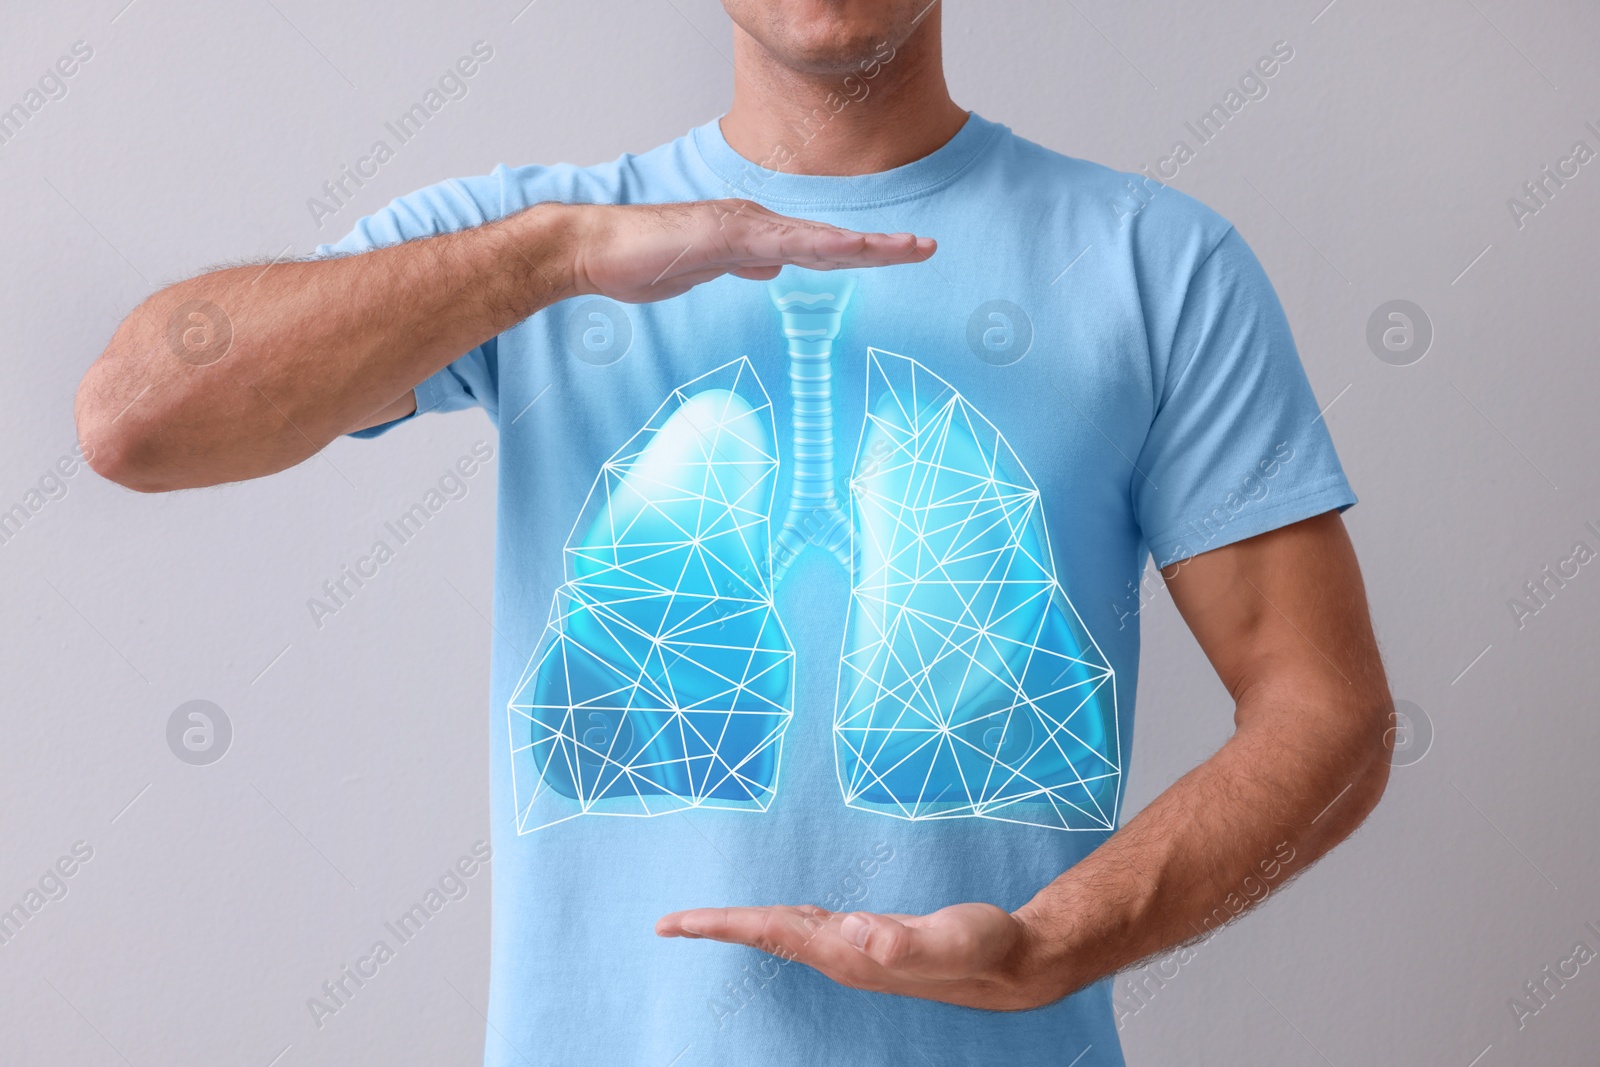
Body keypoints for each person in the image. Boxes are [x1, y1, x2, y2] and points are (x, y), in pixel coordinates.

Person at [73, 2, 1392, 1064]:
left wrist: (1056, 943)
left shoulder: (1156, 265)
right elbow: (136, 419)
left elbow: (1327, 717)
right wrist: (556, 254)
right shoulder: (535, 248)